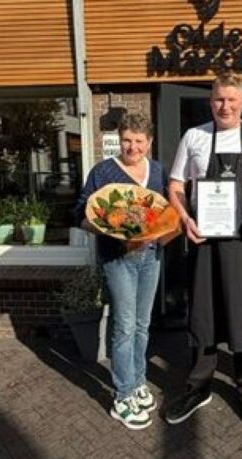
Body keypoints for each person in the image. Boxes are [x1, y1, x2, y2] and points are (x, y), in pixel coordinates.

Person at [164, 73, 242, 428]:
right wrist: (184, 218)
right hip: (205, 242)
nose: (225, 106)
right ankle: (198, 386)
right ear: (210, 100)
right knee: (204, 314)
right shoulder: (195, 136)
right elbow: (176, 184)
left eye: (232, 99)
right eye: (219, 99)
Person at [75, 112, 167, 430]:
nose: (132, 147)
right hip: (118, 259)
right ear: (119, 139)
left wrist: (163, 230)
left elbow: (164, 213)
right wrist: (108, 230)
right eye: (127, 140)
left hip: (151, 256)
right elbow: (80, 213)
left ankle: (138, 381)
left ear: (149, 142)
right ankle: (122, 396)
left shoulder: (157, 171)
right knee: (125, 326)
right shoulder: (103, 172)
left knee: (142, 324)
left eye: (139, 141)